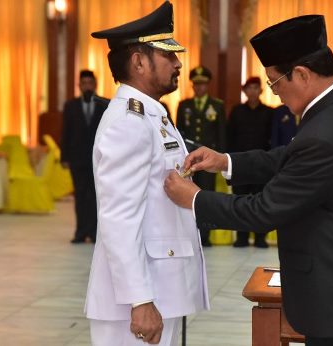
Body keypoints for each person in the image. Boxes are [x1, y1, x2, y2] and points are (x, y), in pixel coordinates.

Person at [164, 15, 333, 345]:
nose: (275, 94)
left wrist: (193, 199)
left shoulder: (327, 131)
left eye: (275, 83)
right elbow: (288, 157)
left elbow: (263, 211)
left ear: (303, 75)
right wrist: (225, 161)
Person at [85, 3, 209, 345]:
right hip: (138, 299)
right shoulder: (129, 122)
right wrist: (140, 300)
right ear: (139, 61)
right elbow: (118, 217)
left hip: (160, 288)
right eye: (168, 55)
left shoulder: (151, 114)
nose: (178, 63)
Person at [176, 65, 226, 246]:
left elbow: (221, 134)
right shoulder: (184, 106)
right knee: (187, 195)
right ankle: (190, 233)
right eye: (196, 84)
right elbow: (179, 133)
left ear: (208, 85)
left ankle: (205, 235)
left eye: (203, 84)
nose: (199, 87)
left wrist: (221, 158)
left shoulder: (217, 106)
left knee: (206, 196)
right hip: (189, 160)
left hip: (209, 160)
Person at [61, 70, 109, 244]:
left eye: (90, 83)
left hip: (99, 159)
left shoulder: (104, 104)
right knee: (80, 195)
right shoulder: (70, 106)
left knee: (97, 196)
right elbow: (65, 132)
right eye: (84, 83)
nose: (87, 86)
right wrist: (64, 157)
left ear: (95, 84)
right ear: (79, 85)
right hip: (78, 159)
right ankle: (81, 232)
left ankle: (96, 232)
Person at [227, 77, 273, 248]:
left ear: (261, 91)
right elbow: (229, 138)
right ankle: (242, 238)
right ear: (244, 91)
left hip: (262, 165)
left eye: (256, 88)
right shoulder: (237, 111)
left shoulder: (269, 112)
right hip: (239, 164)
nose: (253, 91)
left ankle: (260, 238)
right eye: (249, 88)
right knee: (240, 201)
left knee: (261, 201)